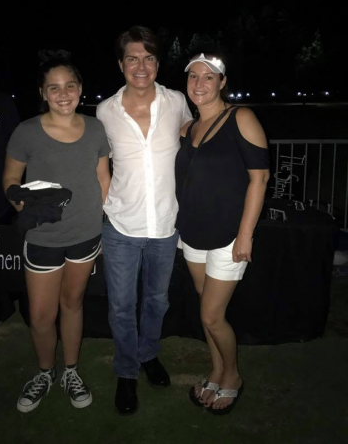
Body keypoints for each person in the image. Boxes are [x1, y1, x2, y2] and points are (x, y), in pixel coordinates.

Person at [3, 54, 111, 413]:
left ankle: (70, 371)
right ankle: (45, 372)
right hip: (44, 236)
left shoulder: (96, 129)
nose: (63, 94)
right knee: (40, 315)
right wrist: (21, 203)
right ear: (42, 93)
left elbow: (103, 178)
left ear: (80, 89)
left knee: (73, 304)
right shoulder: (26, 131)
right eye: (54, 87)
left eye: (70, 85)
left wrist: (100, 219)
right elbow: (10, 178)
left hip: (85, 234)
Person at [96, 26, 192, 415]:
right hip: (121, 224)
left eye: (148, 58)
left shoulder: (176, 101)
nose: (141, 66)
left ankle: (148, 353)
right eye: (132, 58)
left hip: (165, 224)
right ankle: (126, 371)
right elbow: (100, 166)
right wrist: (102, 207)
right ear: (121, 64)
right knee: (121, 306)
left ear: (157, 63)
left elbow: (195, 138)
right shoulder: (105, 111)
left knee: (157, 299)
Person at [175, 52, 269, 415]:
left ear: (222, 82)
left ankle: (232, 375)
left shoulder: (240, 118)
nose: (199, 83)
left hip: (228, 235)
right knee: (205, 310)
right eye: (193, 76)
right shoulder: (187, 129)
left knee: (212, 315)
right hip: (192, 232)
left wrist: (245, 235)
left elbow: (260, 178)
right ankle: (216, 370)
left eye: (209, 77)